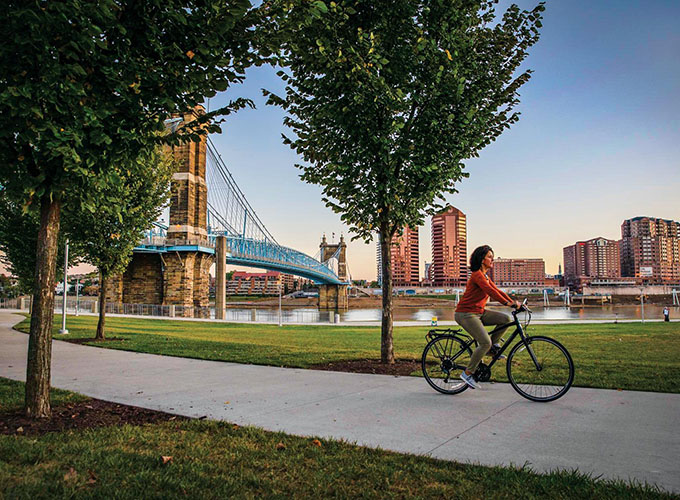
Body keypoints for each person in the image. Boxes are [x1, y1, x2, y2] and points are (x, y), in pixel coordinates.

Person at [455, 245, 520, 389]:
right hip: (466, 313)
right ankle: (468, 373)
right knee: (484, 342)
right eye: (490, 257)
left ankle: (491, 349)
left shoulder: (485, 276)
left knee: (505, 319)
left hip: (479, 312)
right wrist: (507, 303)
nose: (492, 260)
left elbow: (497, 290)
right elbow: (490, 291)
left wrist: (512, 302)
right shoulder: (477, 274)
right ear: (482, 258)